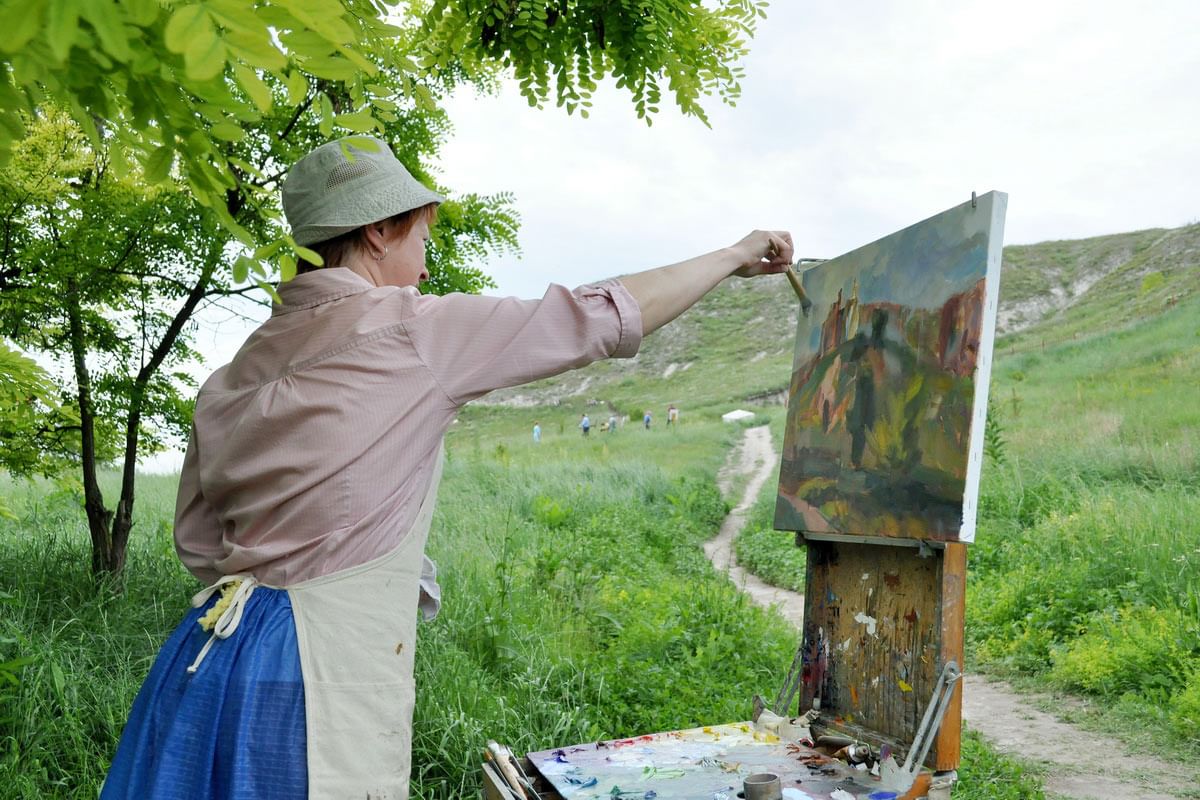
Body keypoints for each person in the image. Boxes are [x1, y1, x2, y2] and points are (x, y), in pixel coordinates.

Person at [98, 134, 793, 799]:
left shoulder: (235, 370)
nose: (426, 265)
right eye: (421, 240)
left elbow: (195, 543)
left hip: (204, 660)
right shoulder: (410, 328)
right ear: (377, 233)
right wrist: (733, 254)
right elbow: (598, 318)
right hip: (314, 670)